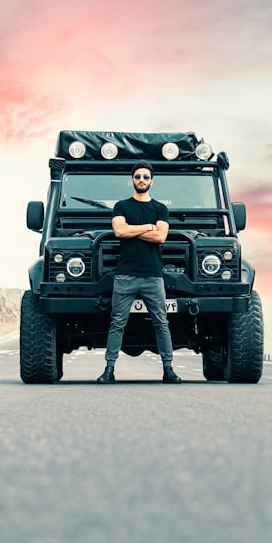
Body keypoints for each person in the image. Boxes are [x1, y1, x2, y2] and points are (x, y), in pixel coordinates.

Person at [97, 161, 181, 384]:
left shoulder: (160, 208)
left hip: (153, 276)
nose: (141, 180)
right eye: (137, 177)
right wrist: (148, 226)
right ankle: (109, 370)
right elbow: (119, 231)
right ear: (132, 180)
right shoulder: (121, 206)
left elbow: (161, 237)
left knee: (161, 323)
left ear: (151, 181)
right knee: (117, 323)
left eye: (145, 177)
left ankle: (169, 370)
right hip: (125, 275)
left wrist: (133, 230)